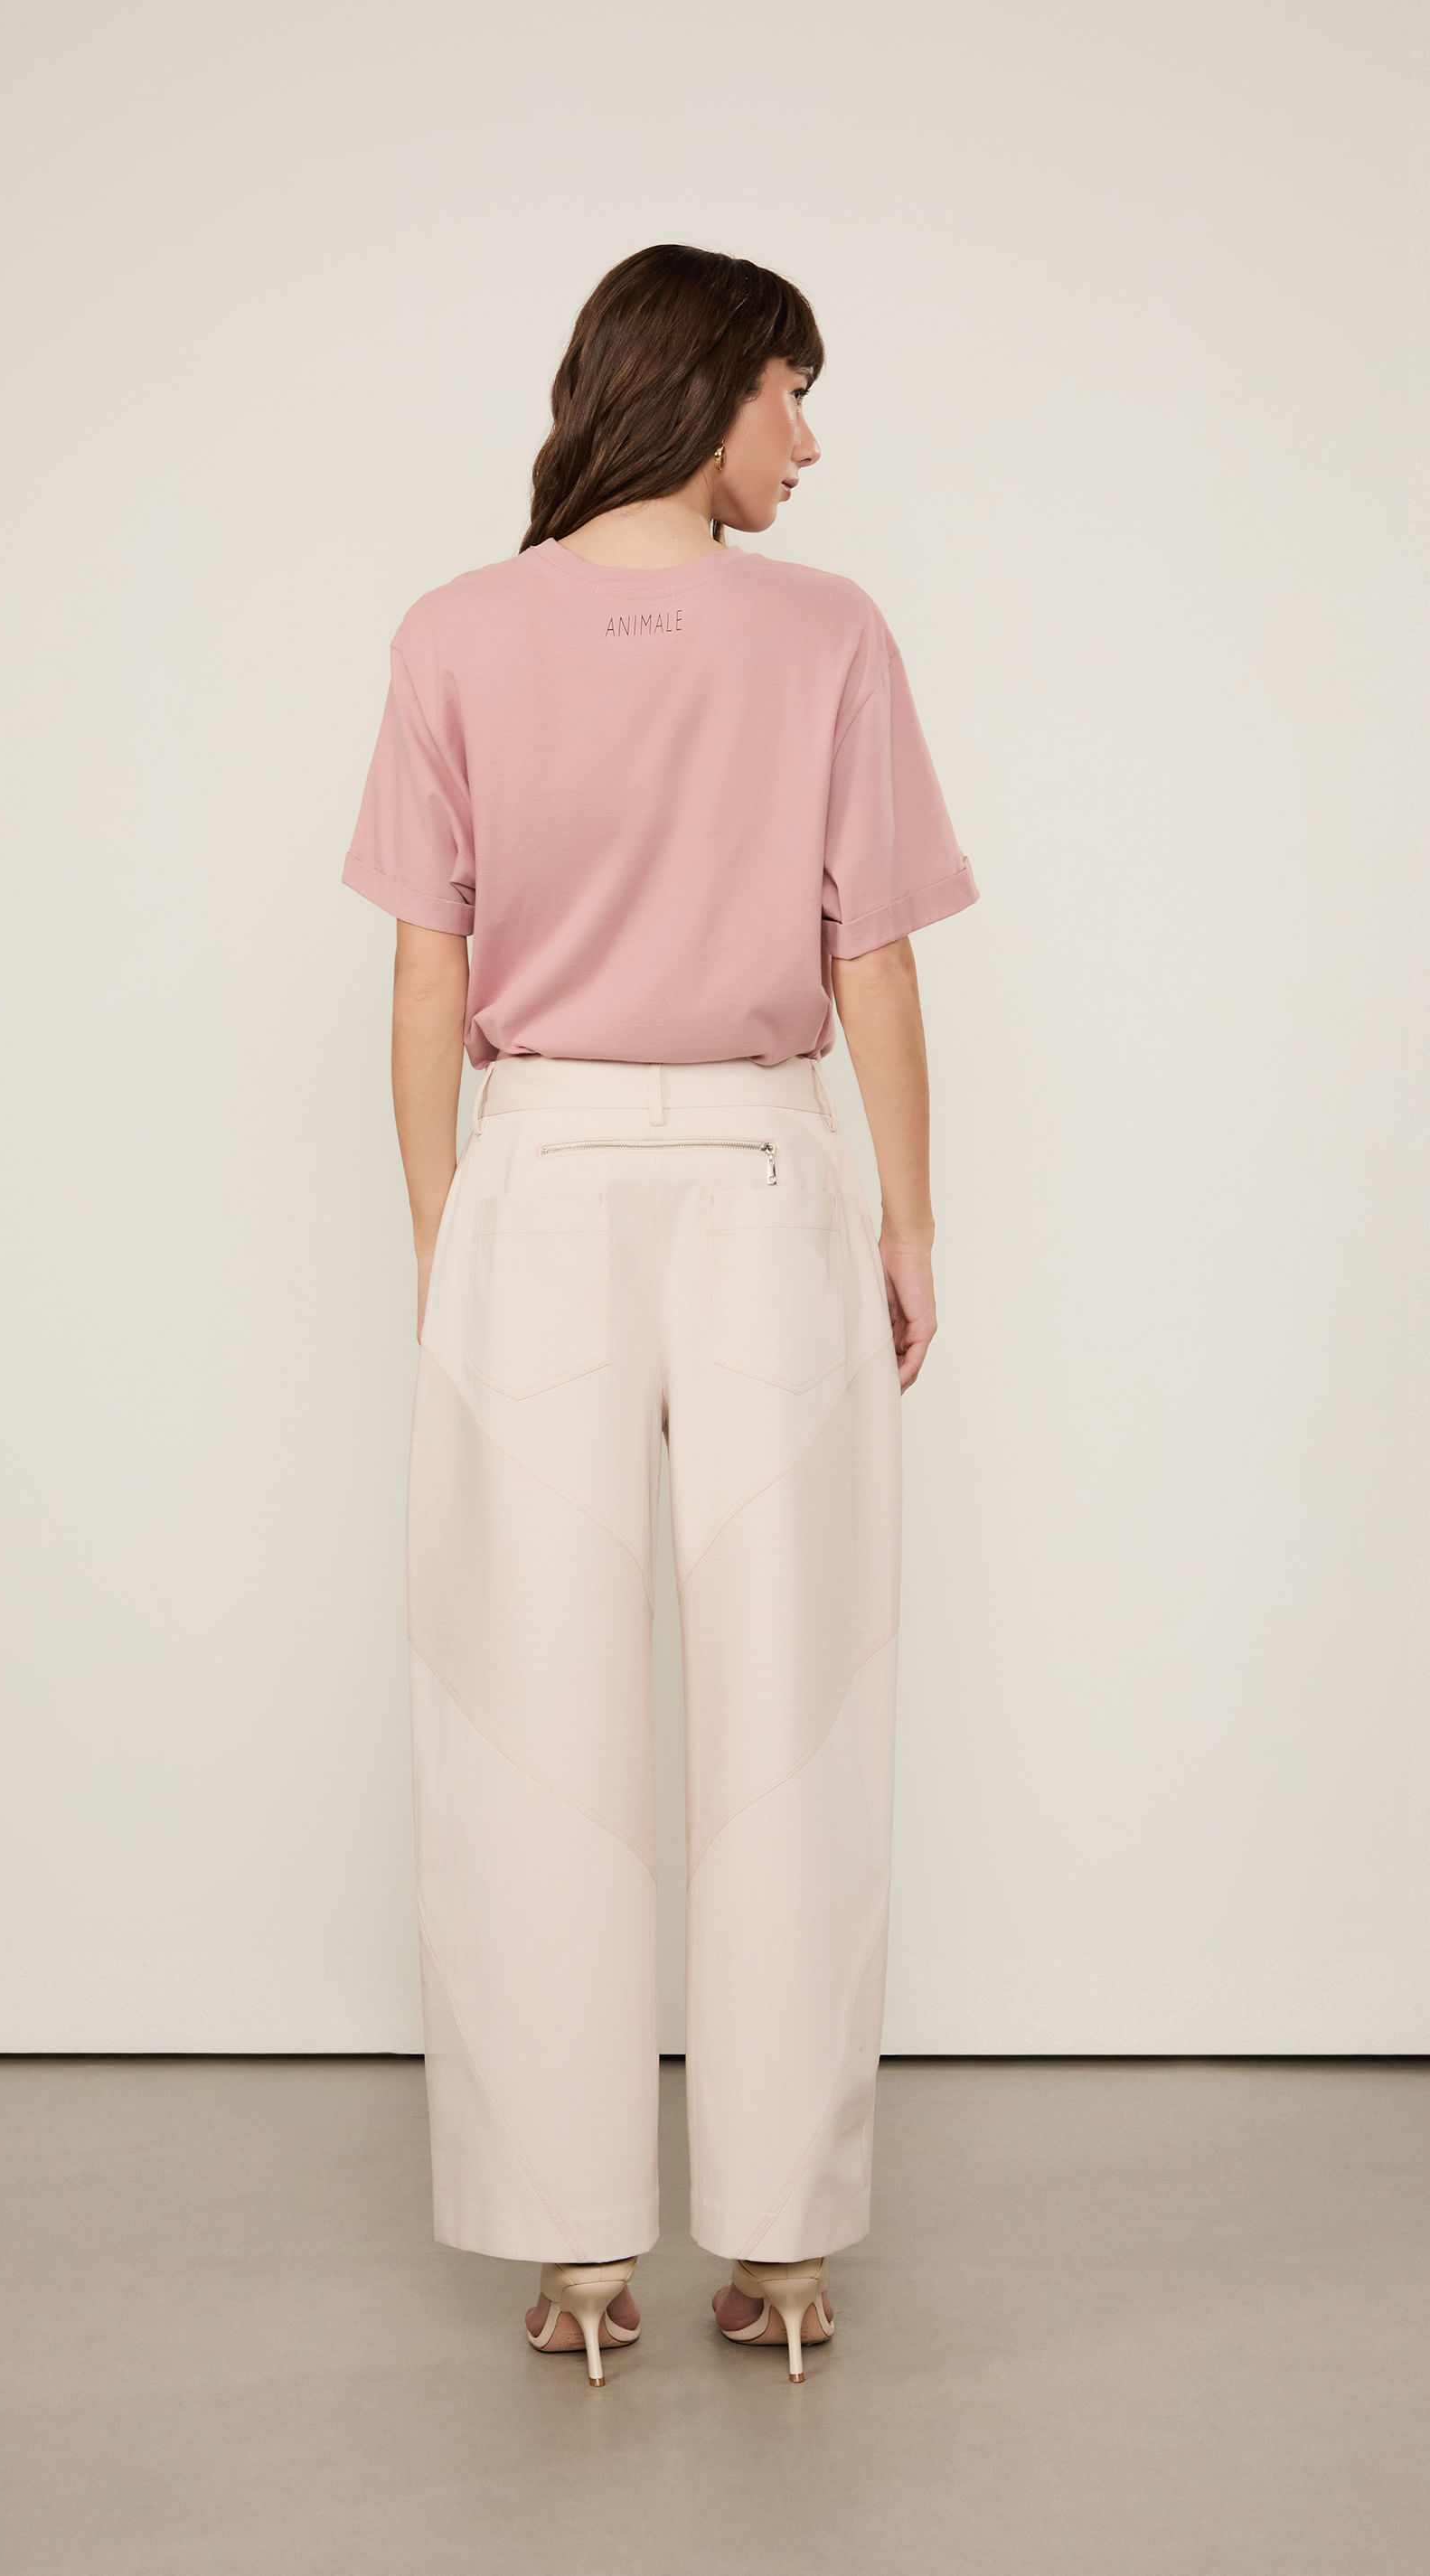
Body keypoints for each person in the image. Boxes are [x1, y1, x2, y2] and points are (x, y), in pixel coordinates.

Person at [341, 242, 979, 2386]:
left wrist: (446, 1230)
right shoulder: (825, 633)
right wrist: (908, 1218)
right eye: (790, 390)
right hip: (762, 1169)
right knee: (795, 1708)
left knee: (524, 1714)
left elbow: (425, 968)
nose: (809, 437)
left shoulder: (452, 629)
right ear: (702, 391)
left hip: (534, 1174)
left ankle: (572, 2259)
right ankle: (782, 2260)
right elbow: (870, 955)